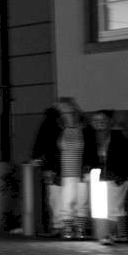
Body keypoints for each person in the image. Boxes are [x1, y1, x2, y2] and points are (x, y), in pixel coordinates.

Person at [88, 110, 128, 245]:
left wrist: (126, 176)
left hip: (117, 176)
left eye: (103, 120)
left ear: (110, 121)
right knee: (116, 207)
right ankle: (121, 234)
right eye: (96, 120)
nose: (99, 123)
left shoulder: (118, 137)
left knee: (112, 207)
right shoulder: (92, 137)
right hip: (102, 176)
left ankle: (109, 234)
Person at [53, 98, 91, 240]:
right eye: (63, 112)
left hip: (81, 171)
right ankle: (68, 228)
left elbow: (90, 150)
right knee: (66, 200)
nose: (67, 115)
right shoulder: (58, 129)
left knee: (82, 200)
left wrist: (88, 168)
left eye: (69, 111)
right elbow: (53, 151)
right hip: (65, 172)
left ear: (75, 111)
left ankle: (80, 228)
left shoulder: (84, 129)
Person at [30, 106, 64, 236]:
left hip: (50, 167)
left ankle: (56, 225)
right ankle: (62, 224)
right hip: (62, 167)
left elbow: (39, 144)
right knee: (60, 196)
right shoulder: (61, 128)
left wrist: (35, 158)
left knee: (53, 196)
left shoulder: (46, 127)